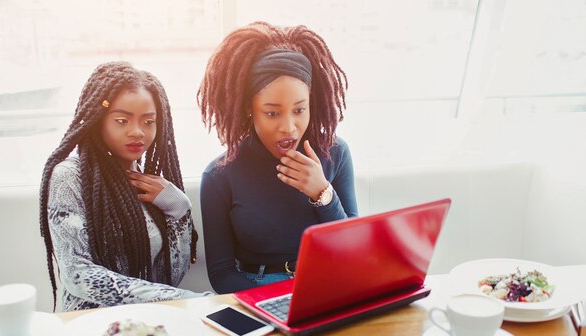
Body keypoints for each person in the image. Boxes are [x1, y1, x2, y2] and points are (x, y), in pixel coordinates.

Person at [198, 22, 358, 294]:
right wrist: (275, 301)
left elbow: (351, 247)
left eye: (299, 110)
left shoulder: (335, 153)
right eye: (272, 113)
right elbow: (221, 274)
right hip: (258, 290)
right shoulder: (219, 176)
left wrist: (323, 193)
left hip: (327, 281)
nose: (289, 127)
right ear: (249, 109)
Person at [39, 61, 208, 311]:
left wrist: (179, 209)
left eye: (148, 121)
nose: (137, 132)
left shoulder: (149, 183)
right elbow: (78, 275)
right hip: (88, 327)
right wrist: (183, 301)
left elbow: (168, 277)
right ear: (98, 121)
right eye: (122, 121)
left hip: (144, 322)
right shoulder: (68, 178)